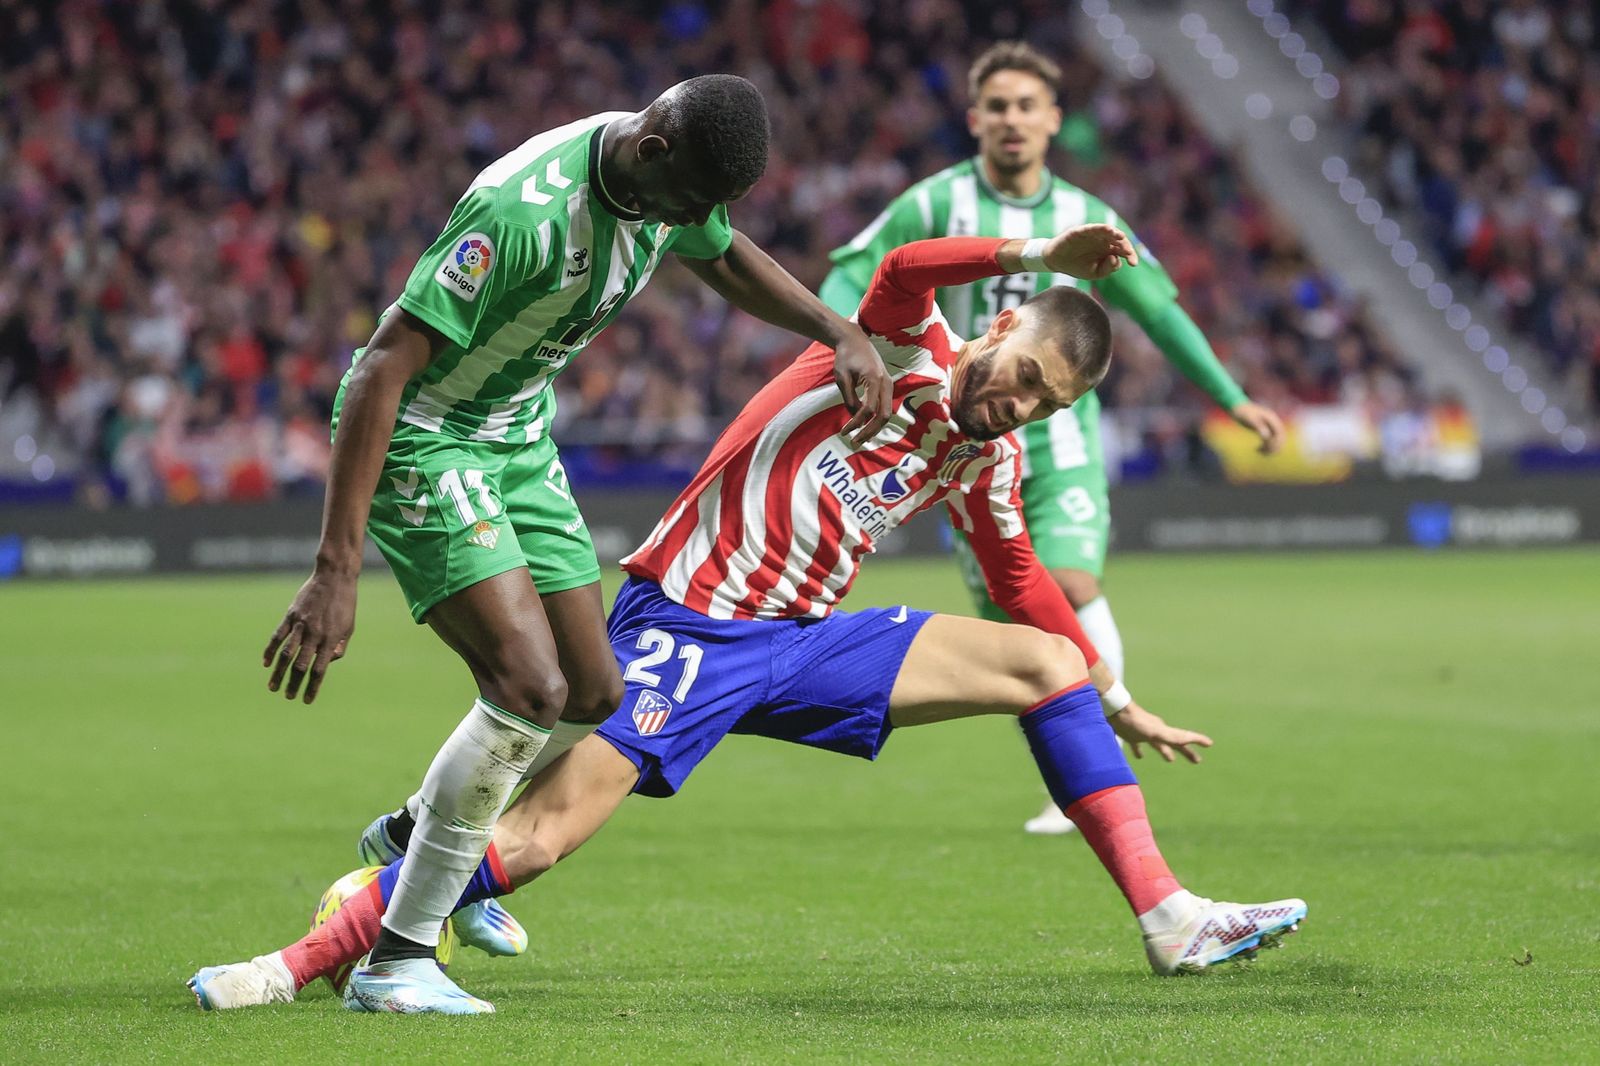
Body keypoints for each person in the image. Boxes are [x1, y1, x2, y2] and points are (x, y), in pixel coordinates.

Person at [191, 225, 1305, 1013]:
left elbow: (1019, 579)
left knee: (1046, 658)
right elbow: (911, 267)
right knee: (537, 842)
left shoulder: (985, 454)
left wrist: (1113, 695)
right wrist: (1035, 251)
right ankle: (308, 954)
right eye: (1018, 375)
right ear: (1000, 325)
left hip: (808, 639)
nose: (1012, 403)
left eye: (1041, 404)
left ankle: (1167, 917)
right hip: (692, 623)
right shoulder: (900, 342)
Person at [255, 74, 895, 1015]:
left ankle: (414, 837)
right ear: (653, 152)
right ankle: (397, 957)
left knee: (597, 691)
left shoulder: (666, 182)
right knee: (529, 687)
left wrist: (837, 329)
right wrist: (333, 569)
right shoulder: (520, 213)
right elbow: (385, 368)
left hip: (514, 434)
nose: (697, 223)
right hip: (429, 435)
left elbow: (722, 257)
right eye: (692, 204)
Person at [820, 42, 1287, 835]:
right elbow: (854, 277)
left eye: (1026, 107)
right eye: (997, 106)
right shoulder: (932, 204)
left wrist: (1230, 397)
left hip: (1057, 449)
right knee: (1021, 623)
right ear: (975, 119)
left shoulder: (1086, 222)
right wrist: (836, 343)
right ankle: (1078, 767)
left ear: (1052, 122)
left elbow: (1160, 312)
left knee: (1065, 584)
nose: (1012, 120)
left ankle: (1096, 761)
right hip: (956, 445)